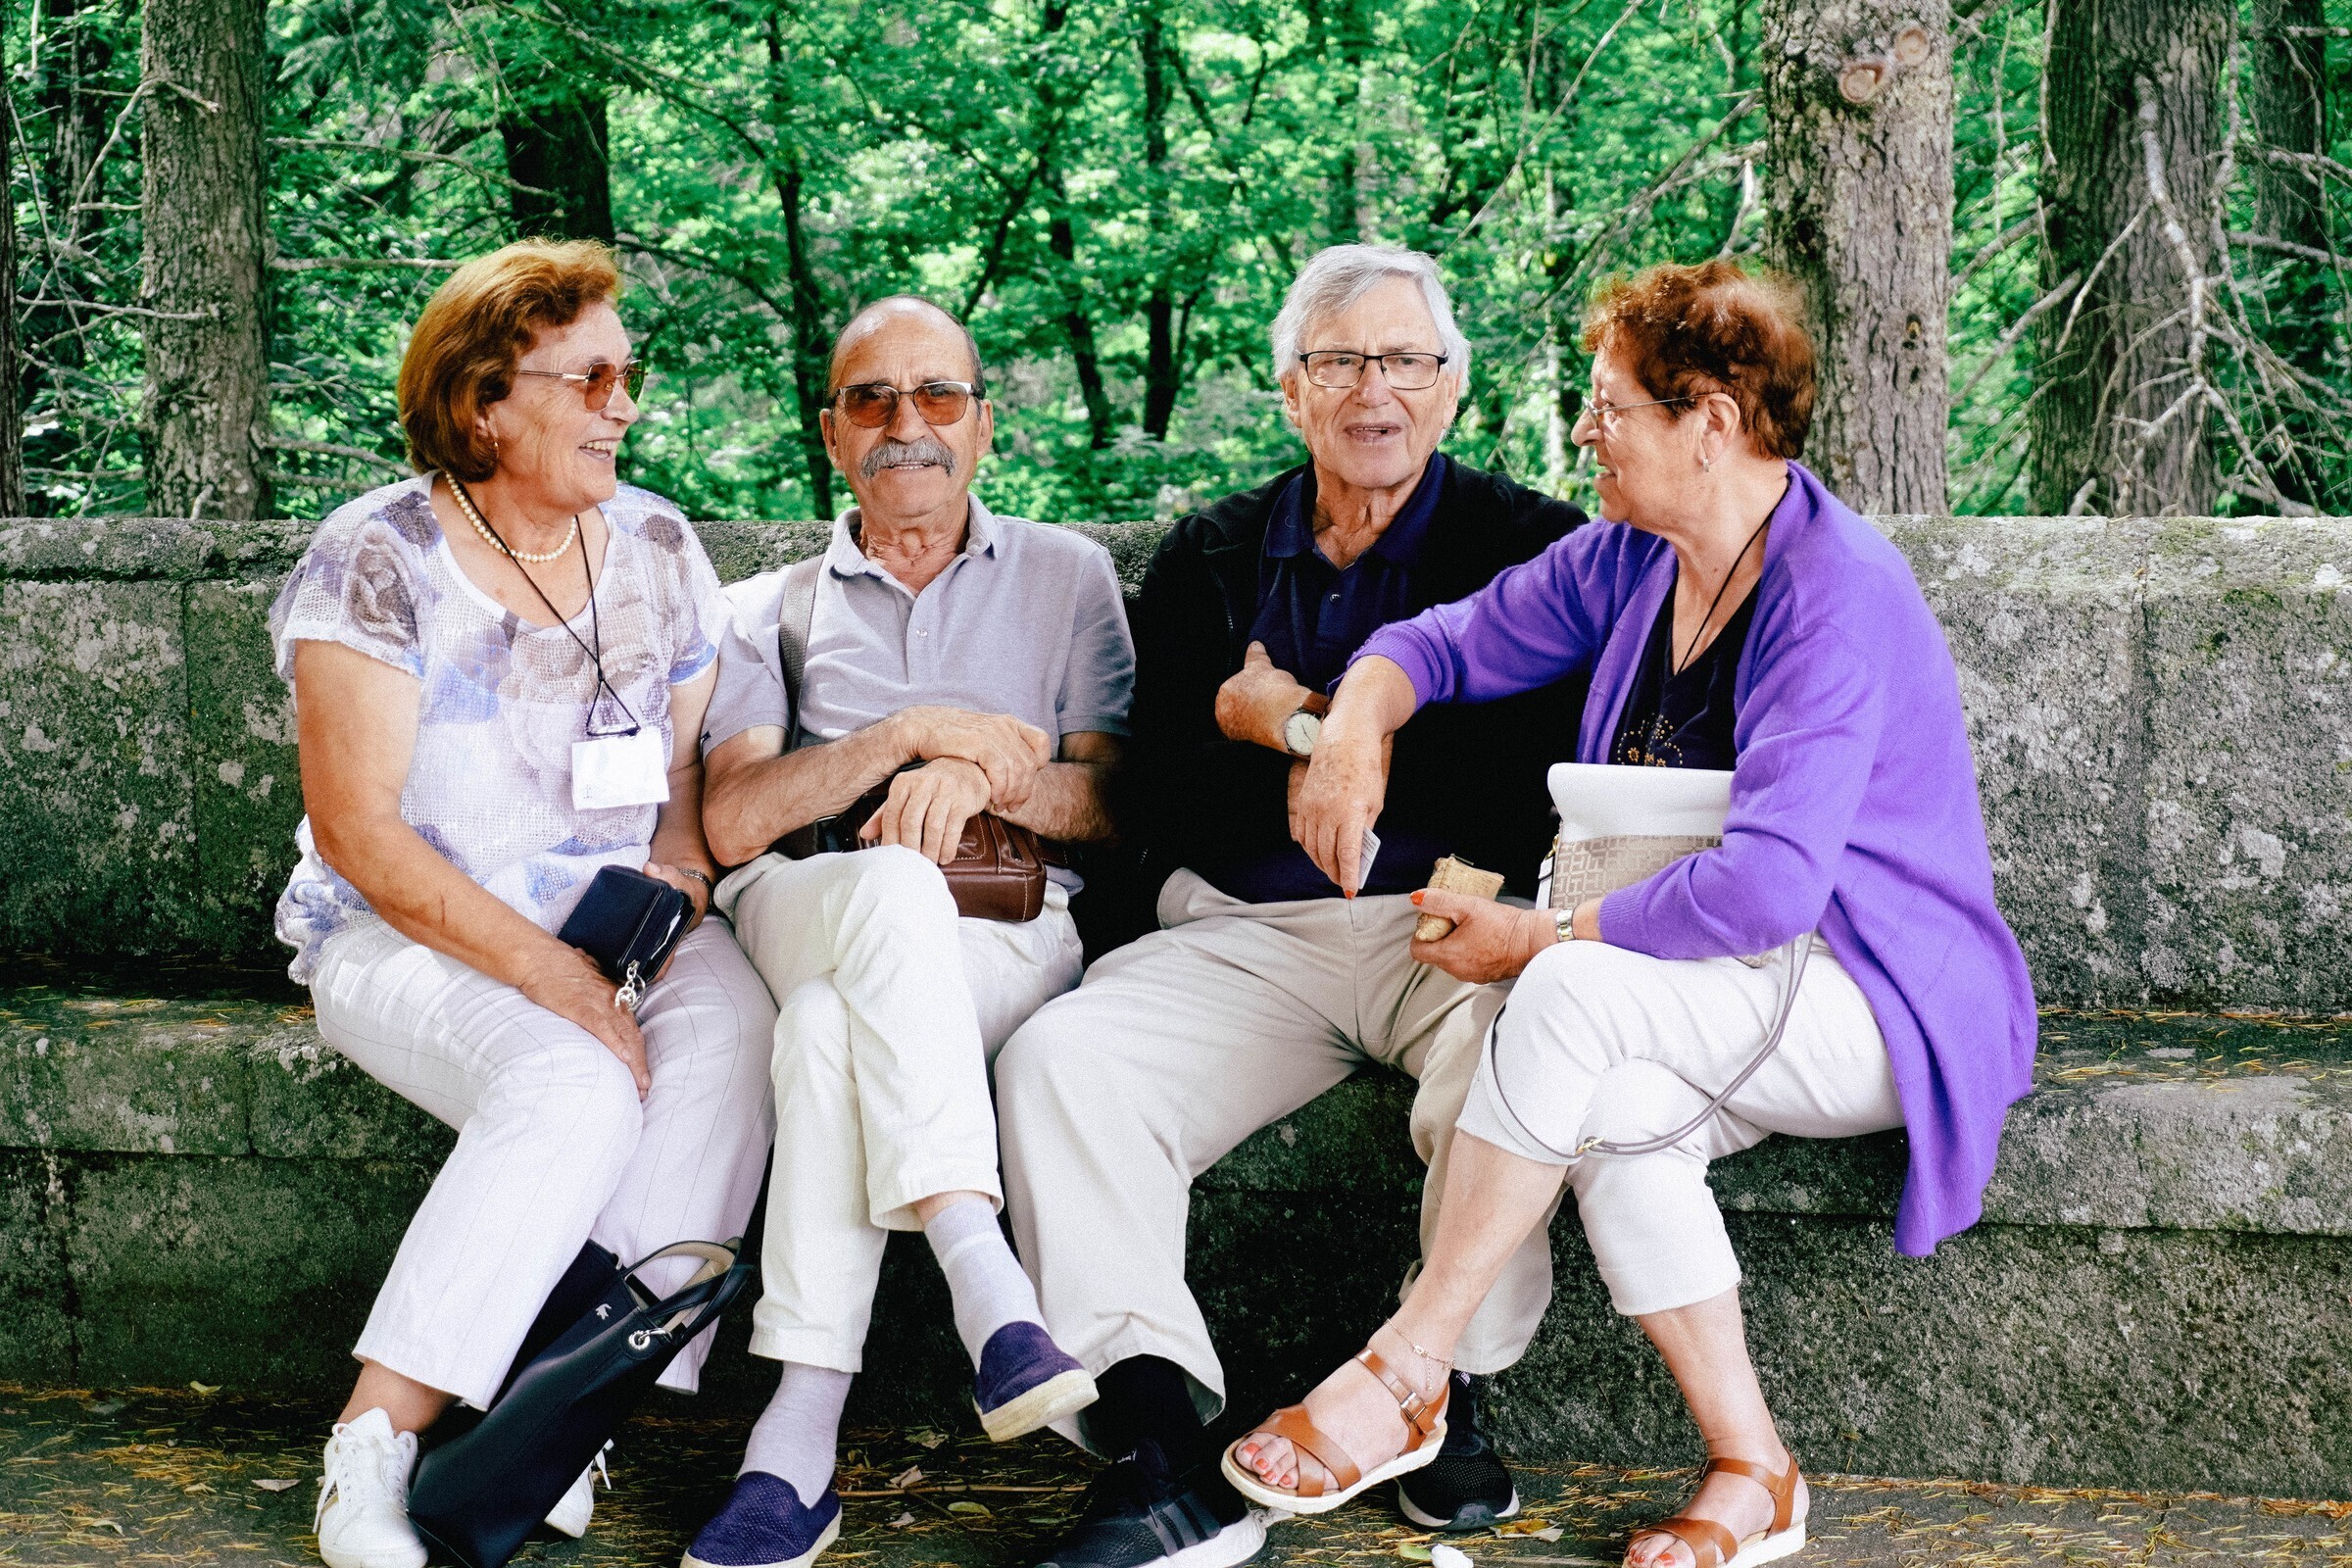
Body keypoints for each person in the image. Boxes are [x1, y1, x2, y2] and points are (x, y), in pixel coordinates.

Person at [1222, 260, 2036, 1568]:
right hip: (1707, 977)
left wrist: (1537, 938)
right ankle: (1754, 1469)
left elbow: (1773, 885)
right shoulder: (1636, 557)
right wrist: (1355, 722)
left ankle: (1410, 1365)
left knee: (1564, 996)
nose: (1583, 433)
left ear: (1710, 423)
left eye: (1611, 408)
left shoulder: (1837, 593)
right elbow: (1444, 641)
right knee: (1601, 1111)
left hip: (1873, 989)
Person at [994, 244, 1590, 1568]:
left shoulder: (1535, 544)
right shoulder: (1213, 555)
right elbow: (1172, 792)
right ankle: (1153, 1439)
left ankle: (1437, 1384)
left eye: (1405, 361)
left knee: (1529, 1043)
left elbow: (1524, 773)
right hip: (1247, 935)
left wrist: (1290, 721)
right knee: (1060, 1061)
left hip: (1454, 915)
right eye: (1338, 362)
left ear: (1450, 392)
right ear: (1290, 390)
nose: (1373, 390)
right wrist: (1297, 731)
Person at [271, 240, 779, 1568]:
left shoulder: (661, 547)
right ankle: (374, 1442)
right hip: (406, 933)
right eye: (593, 376)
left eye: (631, 374)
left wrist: (677, 875)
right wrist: (558, 980)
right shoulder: (377, 557)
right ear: (488, 399)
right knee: (578, 1087)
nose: (626, 403)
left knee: (736, 1042)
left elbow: (674, 777)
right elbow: (359, 833)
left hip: (615, 928)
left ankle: (550, 1418)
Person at [680, 296, 1134, 1568]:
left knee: (830, 1038)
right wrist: (904, 741)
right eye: (872, 401)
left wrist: (981, 783)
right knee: (881, 894)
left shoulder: (1067, 577)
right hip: (809, 907)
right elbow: (729, 824)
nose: (906, 426)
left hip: (1004, 930)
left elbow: (1115, 807)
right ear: (832, 434)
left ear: (983, 422)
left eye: (937, 396)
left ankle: (795, 1437)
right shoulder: (763, 605)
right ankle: (986, 1282)